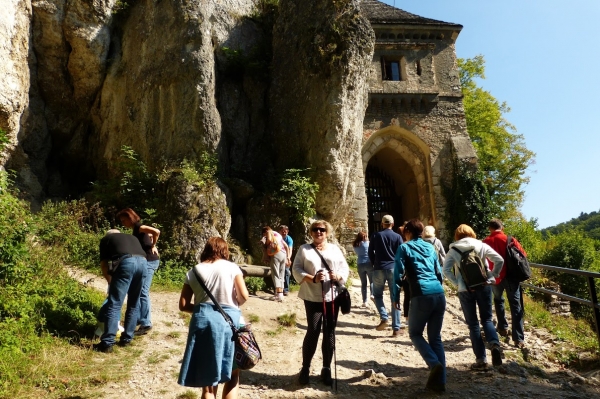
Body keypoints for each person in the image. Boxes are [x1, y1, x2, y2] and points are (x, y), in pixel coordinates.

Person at [178, 237, 249, 399]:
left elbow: (183, 305)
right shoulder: (232, 267)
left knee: (209, 384)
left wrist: (204, 309)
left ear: (206, 250)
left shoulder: (193, 271)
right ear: (225, 250)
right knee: (232, 375)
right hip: (229, 323)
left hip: (202, 322)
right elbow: (243, 296)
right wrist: (231, 303)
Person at [292, 220, 349, 386]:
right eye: (315, 229)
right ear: (311, 232)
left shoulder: (334, 249)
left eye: (322, 230)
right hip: (312, 296)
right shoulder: (304, 249)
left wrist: (337, 276)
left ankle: (326, 368)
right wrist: (313, 278)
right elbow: (296, 269)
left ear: (327, 232)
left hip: (333, 296)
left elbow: (344, 268)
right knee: (313, 330)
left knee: (329, 332)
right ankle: (305, 368)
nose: (319, 232)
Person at [393, 219, 446, 392]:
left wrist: (395, 297)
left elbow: (397, 274)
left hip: (421, 294)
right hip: (439, 294)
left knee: (415, 333)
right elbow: (439, 272)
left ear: (407, 231)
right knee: (435, 338)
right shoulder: (430, 247)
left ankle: (433, 363)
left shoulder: (404, 248)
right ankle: (441, 383)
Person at [443, 224, 504, 369]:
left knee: (473, 325)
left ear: (457, 236)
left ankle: (481, 360)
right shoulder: (481, 245)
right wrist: (492, 275)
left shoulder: (453, 250)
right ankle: (494, 344)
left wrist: (457, 283)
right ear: (472, 233)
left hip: (465, 290)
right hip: (484, 286)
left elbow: (445, 270)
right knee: (487, 319)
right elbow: (499, 260)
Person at [93, 229, 147, 353]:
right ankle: (127, 339)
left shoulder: (106, 239)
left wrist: (110, 282)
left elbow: (104, 265)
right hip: (144, 264)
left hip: (127, 263)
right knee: (134, 303)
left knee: (115, 303)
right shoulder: (131, 237)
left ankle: (107, 343)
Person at [483, 219, 528, 348]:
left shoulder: (486, 241)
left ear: (490, 228)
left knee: (498, 300)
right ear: (501, 227)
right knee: (516, 306)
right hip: (511, 277)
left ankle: (502, 327)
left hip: (495, 277)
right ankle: (518, 339)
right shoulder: (509, 239)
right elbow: (523, 254)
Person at [117, 208, 161, 335]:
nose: (123, 223)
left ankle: (146, 323)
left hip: (150, 261)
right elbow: (151, 235)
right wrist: (151, 241)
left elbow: (156, 231)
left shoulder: (139, 226)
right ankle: (137, 319)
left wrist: (153, 245)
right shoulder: (137, 229)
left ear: (130, 218)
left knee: (142, 291)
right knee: (137, 289)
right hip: (145, 261)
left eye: (124, 220)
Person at [368, 215, 404, 335]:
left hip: (379, 268)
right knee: (395, 297)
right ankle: (396, 328)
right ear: (393, 224)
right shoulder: (398, 236)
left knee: (377, 295)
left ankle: (384, 317)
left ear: (382, 224)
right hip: (393, 268)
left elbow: (370, 252)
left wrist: (375, 263)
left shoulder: (376, 235)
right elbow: (401, 253)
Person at [261, 226, 289, 302]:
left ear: (264, 232)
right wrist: (288, 257)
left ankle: (279, 294)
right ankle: (280, 294)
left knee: (275, 273)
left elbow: (269, 239)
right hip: (283, 254)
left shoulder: (268, 232)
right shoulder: (278, 234)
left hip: (276, 253)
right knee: (281, 273)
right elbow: (286, 246)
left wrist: (266, 245)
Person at [353, 231, 374, 307]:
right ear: (365, 237)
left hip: (360, 263)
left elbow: (356, 253)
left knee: (363, 283)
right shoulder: (368, 243)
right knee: (372, 281)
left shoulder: (355, 245)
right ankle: (372, 294)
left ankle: (364, 301)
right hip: (368, 262)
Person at [279, 225, 294, 296]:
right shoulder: (277, 237)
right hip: (277, 256)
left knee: (286, 271)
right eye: (282, 231)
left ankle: (285, 289)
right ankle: (277, 288)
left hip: (285, 256)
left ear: (287, 232)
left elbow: (290, 249)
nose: (284, 233)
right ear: (279, 231)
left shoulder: (289, 239)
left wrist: (288, 258)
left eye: (285, 231)